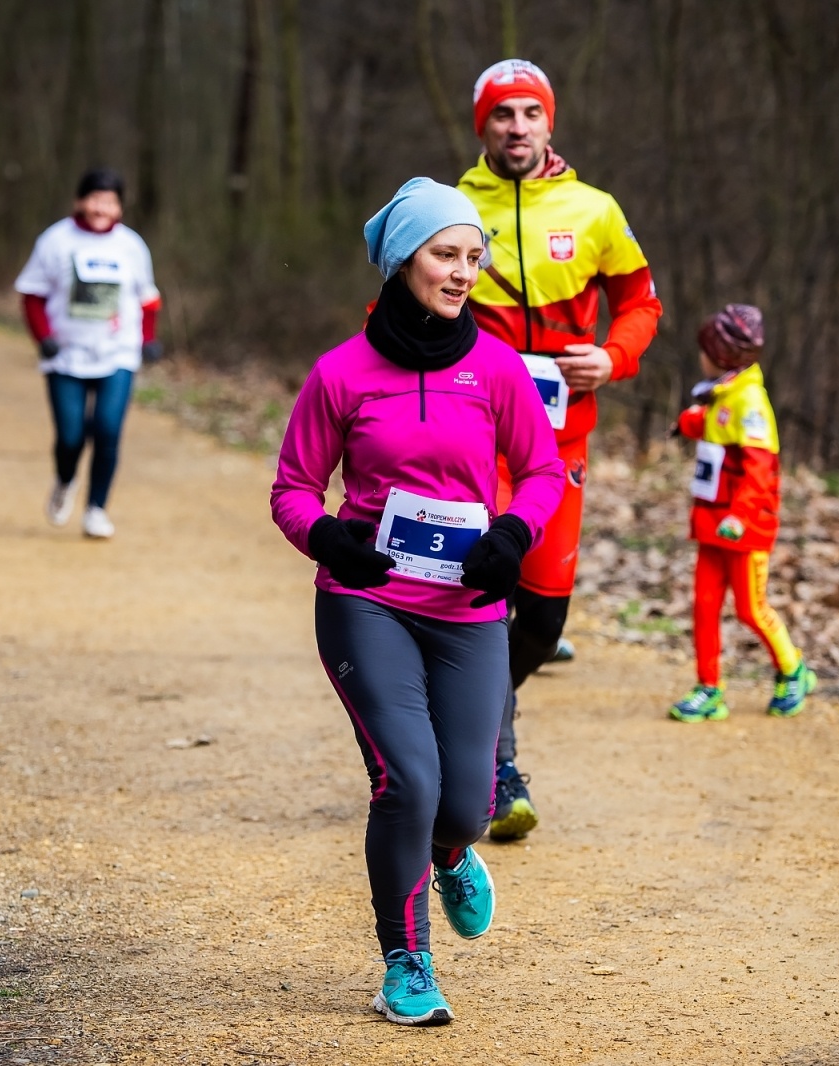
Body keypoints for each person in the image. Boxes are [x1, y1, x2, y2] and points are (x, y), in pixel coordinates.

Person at [271, 177, 562, 1026]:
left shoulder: (496, 368)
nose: (464, 271)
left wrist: (514, 534)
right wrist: (330, 541)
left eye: (474, 256)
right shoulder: (341, 374)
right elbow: (293, 490)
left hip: (468, 609)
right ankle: (407, 962)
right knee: (407, 781)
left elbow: (543, 471)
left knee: (467, 804)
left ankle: (451, 852)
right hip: (368, 604)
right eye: (446, 254)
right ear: (404, 261)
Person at [457, 59, 663, 840]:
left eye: (529, 113)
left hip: (559, 441)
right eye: (502, 114)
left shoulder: (595, 210)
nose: (517, 127)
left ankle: (475, 706)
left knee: (541, 621)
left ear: (550, 122)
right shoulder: (450, 208)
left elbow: (642, 303)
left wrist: (612, 357)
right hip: (472, 439)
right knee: (484, 593)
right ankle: (494, 763)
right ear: (482, 125)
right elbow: (399, 304)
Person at [668, 305, 815, 721]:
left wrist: (739, 515)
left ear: (721, 354)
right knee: (705, 605)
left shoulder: (749, 402)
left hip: (744, 528)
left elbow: (760, 470)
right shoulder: (723, 392)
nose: (701, 356)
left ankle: (793, 669)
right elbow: (714, 426)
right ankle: (709, 687)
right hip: (711, 524)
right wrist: (689, 421)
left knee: (751, 607)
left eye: (706, 350)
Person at [14, 168, 162, 539]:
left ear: (120, 207)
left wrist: (148, 339)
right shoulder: (56, 241)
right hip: (66, 354)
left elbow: (147, 299)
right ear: (80, 201)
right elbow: (32, 294)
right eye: (95, 199)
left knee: (108, 430)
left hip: (117, 352)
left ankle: (97, 509)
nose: (102, 208)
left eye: (110, 202)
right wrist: (43, 336)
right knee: (71, 436)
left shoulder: (131, 246)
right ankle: (65, 481)